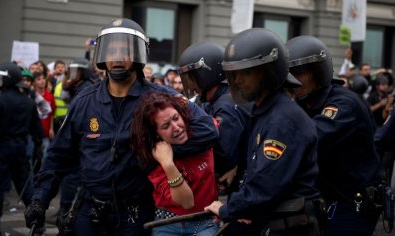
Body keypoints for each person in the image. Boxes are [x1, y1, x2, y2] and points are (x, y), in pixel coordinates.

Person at [24, 18, 218, 236]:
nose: (116, 57)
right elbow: (58, 155)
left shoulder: (161, 98)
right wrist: (40, 199)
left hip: (136, 213)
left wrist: (153, 146)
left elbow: (207, 131)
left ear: (137, 55)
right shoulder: (84, 101)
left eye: (124, 50)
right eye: (111, 50)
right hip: (90, 210)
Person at [204, 28, 322, 236]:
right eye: (234, 73)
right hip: (272, 220)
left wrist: (227, 209)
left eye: (246, 72)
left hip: (291, 226)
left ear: (269, 72)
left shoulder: (281, 119)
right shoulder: (265, 112)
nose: (238, 80)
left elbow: (265, 186)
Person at [286, 35, 382, 236]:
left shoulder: (343, 103)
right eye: (290, 73)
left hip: (353, 202)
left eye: (300, 72)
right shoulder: (305, 102)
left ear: (317, 72)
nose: (294, 79)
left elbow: (310, 137)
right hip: (327, 197)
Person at [130, 91, 219, 235]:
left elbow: (224, 133)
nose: (176, 127)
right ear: (156, 134)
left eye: (176, 118)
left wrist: (232, 168)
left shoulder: (202, 133)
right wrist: (168, 164)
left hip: (205, 220)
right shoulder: (154, 157)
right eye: (166, 126)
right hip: (167, 223)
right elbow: (187, 202)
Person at [0, 62, 43, 236]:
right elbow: (37, 129)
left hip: (2, 149)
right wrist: (37, 148)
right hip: (20, 148)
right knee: (25, 186)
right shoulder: (28, 102)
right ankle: (37, 222)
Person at [178, 41, 249, 194]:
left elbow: (223, 155)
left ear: (206, 74)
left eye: (192, 77)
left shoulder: (225, 105)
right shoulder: (213, 101)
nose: (190, 85)